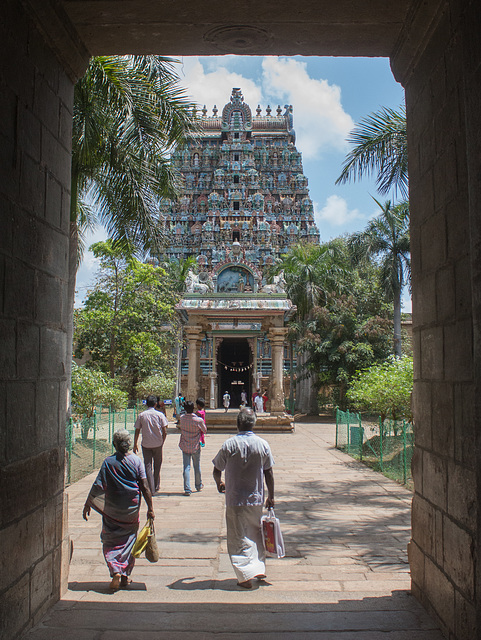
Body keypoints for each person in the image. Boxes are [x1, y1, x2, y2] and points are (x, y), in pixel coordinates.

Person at [82, 429, 154, 590]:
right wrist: (150, 508)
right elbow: (145, 486)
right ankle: (125, 575)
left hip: (112, 509)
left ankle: (115, 569)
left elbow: (98, 485)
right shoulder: (136, 461)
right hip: (131, 509)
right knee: (129, 541)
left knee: (111, 540)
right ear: (128, 444)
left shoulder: (108, 462)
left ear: (114, 444)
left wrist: (88, 503)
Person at [212, 408, 275, 589]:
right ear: (253, 424)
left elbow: (217, 469)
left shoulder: (229, 445)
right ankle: (259, 568)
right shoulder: (262, 444)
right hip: (255, 497)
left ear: (238, 423)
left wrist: (219, 483)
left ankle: (245, 576)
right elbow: (269, 472)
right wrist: (271, 495)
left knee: (238, 538)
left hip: (235, 498)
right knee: (256, 534)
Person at [133, 395, 168, 494]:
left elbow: (137, 430)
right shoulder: (160, 415)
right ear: (156, 404)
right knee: (157, 465)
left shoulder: (142, 415)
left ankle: (150, 488)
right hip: (157, 444)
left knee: (148, 466)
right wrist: (162, 441)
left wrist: (135, 443)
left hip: (146, 444)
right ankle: (156, 485)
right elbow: (165, 431)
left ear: (146, 404)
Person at [179, 400, 207, 495]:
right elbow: (204, 430)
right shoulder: (198, 420)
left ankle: (187, 488)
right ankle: (198, 485)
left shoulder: (182, 418)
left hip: (185, 444)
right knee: (196, 466)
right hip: (195, 445)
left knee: (186, 467)